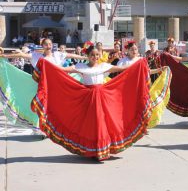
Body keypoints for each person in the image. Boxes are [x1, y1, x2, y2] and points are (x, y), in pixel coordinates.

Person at [30, 45, 171, 161]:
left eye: (97, 55)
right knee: (91, 124)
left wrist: (140, 63)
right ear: (88, 56)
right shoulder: (80, 66)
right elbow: (62, 70)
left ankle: (104, 149)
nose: (95, 57)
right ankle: (92, 150)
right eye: (92, 55)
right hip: (88, 99)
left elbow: (124, 70)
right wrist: (46, 65)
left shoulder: (104, 66)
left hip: (103, 97)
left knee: (104, 123)